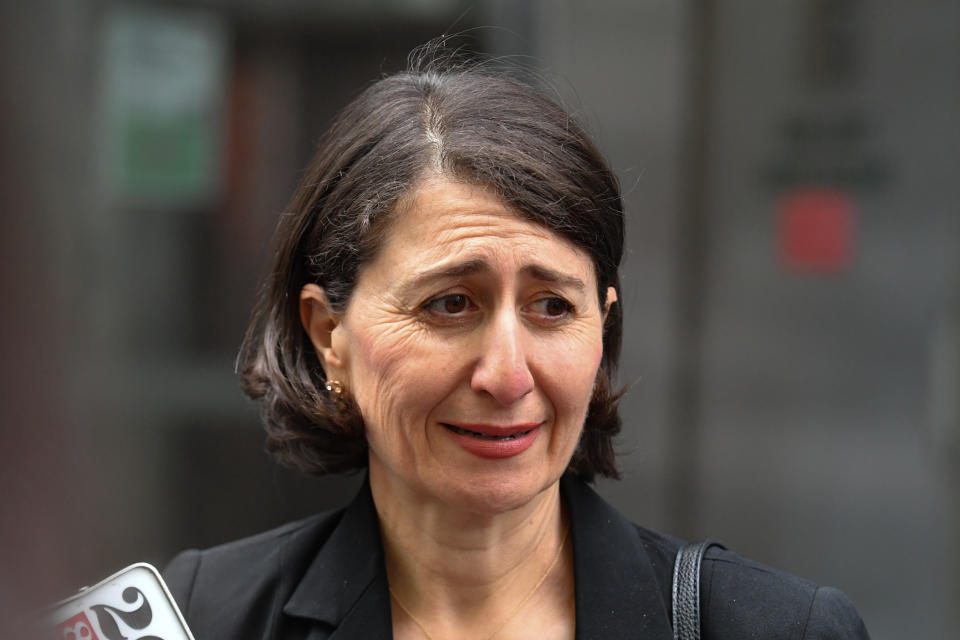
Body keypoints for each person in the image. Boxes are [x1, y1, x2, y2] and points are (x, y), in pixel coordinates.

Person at [164, 48, 870, 639]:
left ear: (603, 329)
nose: (507, 376)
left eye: (553, 307)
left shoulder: (774, 629)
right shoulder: (201, 618)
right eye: (449, 304)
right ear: (329, 335)